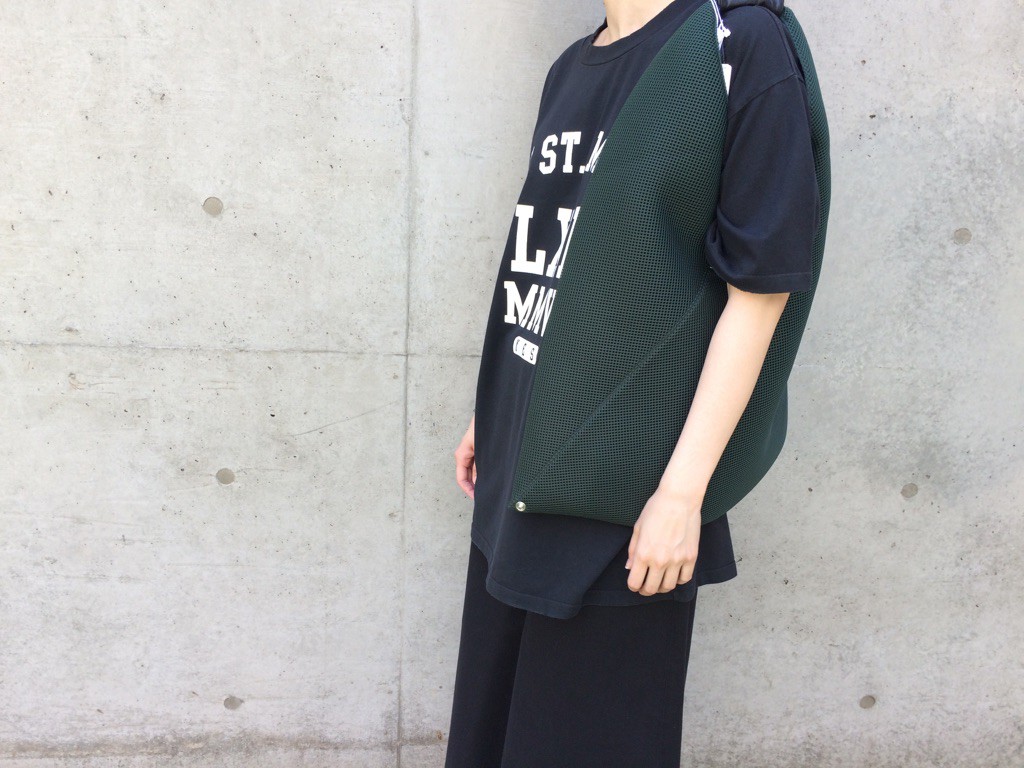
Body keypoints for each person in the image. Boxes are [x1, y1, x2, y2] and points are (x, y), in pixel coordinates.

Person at [445, 0, 823, 764]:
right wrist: (497, 406)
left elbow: (760, 294)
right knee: (490, 740)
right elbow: (554, 253)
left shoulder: (738, 40)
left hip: (625, 497)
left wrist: (682, 495)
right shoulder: (571, 68)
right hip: (520, 469)